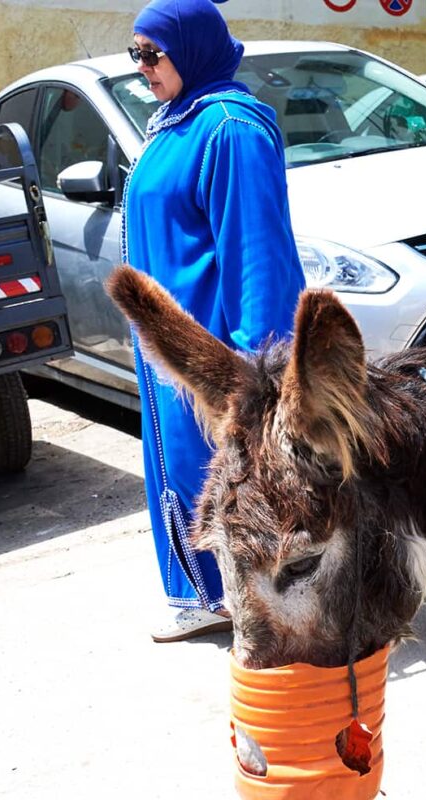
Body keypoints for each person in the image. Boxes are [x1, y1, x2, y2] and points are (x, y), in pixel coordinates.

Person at [122, 0, 305, 642]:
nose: (142, 66)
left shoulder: (229, 127)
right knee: (180, 462)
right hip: (172, 349)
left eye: (152, 53)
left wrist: (261, 369)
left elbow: (258, 253)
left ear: (192, 47)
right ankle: (203, 593)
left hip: (213, 349)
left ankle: (253, 600)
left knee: (227, 473)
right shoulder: (180, 120)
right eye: (135, 54)